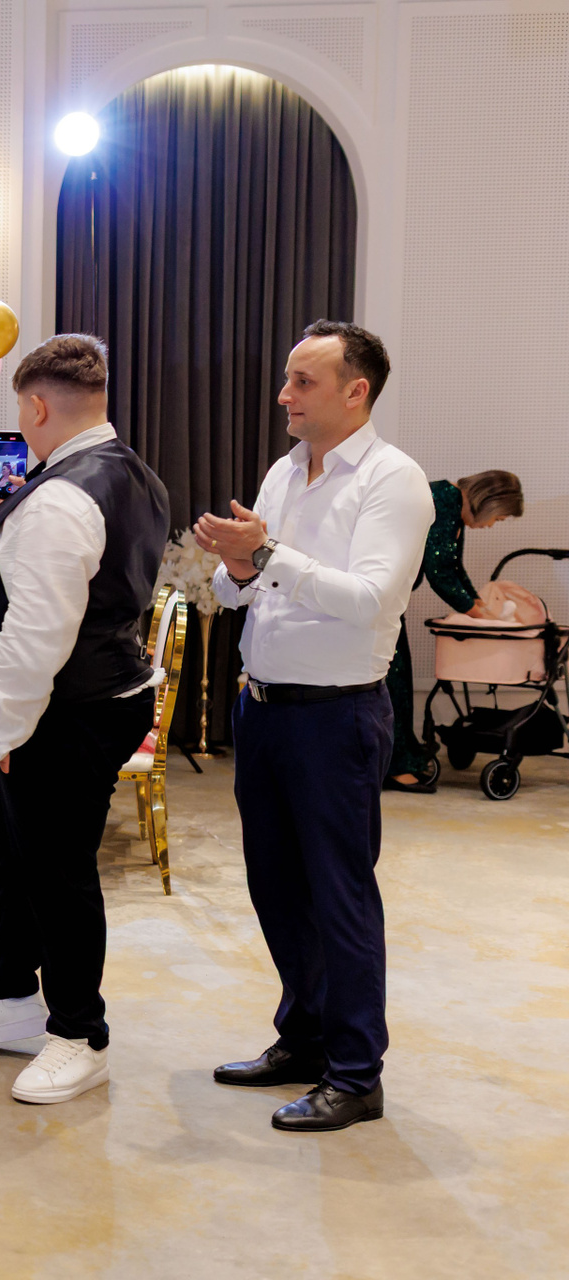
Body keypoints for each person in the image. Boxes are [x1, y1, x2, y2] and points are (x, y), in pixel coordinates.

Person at [195, 320, 433, 1133]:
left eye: (303, 381)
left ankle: (357, 1074)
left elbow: (370, 598)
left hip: (336, 716)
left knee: (340, 898)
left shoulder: (394, 480)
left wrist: (265, 558)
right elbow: (234, 592)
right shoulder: (285, 471)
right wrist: (238, 566)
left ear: (355, 391)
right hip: (262, 707)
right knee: (277, 889)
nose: (283, 396)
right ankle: (304, 1039)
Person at [0, 334, 169, 1106]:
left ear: (36, 406)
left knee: (58, 873)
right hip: (91, 698)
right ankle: (7, 997)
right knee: (12, 855)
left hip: (63, 713)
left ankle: (78, 1033)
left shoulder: (64, 495)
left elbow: (38, 636)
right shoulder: (134, 473)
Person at [385, 469, 525, 790]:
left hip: (386, 602)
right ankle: (395, 767)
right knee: (394, 685)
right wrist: (482, 617)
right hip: (377, 602)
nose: (491, 525)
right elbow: (441, 573)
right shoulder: (443, 503)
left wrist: (480, 606)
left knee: (397, 684)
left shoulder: (449, 502)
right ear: (489, 502)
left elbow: (453, 567)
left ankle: (398, 761)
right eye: (498, 518)